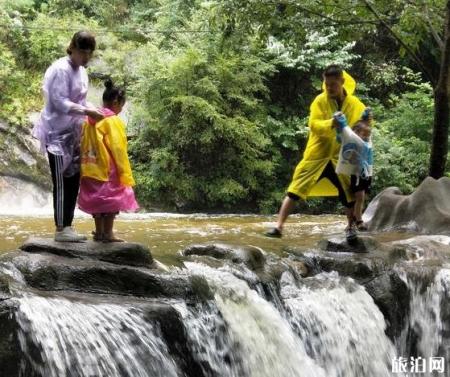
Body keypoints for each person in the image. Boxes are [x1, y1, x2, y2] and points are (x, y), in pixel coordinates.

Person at [265, 64, 366, 239]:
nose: (329, 88)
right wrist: (331, 124)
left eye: (333, 84)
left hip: (341, 156)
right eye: (326, 84)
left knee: (348, 194)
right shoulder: (319, 101)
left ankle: (350, 227)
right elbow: (313, 125)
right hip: (316, 155)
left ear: (342, 82)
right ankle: (279, 227)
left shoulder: (355, 104)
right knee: (295, 190)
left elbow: (363, 127)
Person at [33, 31, 104, 242]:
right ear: (73, 48)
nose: (86, 58)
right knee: (61, 181)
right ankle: (60, 228)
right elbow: (59, 102)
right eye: (84, 53)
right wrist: (87, 112)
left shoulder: (81, 71)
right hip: (55, 133)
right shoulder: (60, 69)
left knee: (73, 179)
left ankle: (69, 226)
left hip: (74, 133)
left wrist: (93, 109)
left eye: (89, 54)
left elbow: (81, 100)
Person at [78, 79, 138, 242]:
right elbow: (117, 147)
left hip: (89, 166)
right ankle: (109, 233)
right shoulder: (112, 121)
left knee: (97, 200)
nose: (120, 110)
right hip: (107, 167)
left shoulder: (89, 119)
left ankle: (99, 232)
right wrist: (124, 171)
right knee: (112, 199)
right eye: (121, 106)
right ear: (115, 102)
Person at [334, 112, 373, 231]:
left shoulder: (365, 141)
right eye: (364, 135)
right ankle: (358, 220)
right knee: (358, 198)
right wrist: (342, 125)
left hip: (365, 174)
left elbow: (363, 128)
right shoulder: (353, 141)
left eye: (368, 135)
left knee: (360, 199)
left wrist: (365, 118)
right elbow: (346, 136)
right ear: (355, 134)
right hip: (357, 175)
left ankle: (352, 223)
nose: (366, 137)